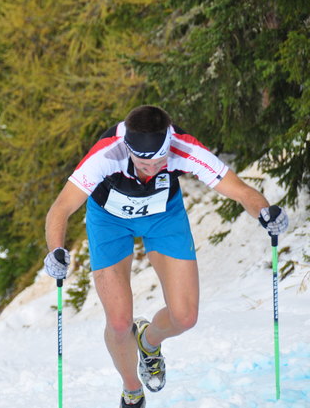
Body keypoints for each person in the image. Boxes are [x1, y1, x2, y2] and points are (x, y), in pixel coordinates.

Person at [44, 105, 288, 408]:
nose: (152, 169)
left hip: (163, 217)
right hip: (110, 221)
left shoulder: (183, 147)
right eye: (144, 163)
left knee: (185, 317)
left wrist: (265, 211)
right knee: (119, 322)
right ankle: (132, 389)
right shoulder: (106, 153)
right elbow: (61, 208)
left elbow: (238, 190)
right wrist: (56, 250)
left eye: (160, 161)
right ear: (128, 148)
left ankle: (148, 342)